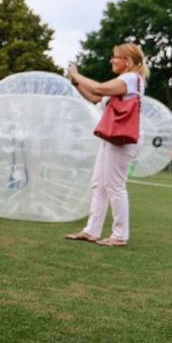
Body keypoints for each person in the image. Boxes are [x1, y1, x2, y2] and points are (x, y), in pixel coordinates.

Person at [65, 43, 149, 248]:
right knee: (99, 184)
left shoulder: (130, 78)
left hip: (123, 138)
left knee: (115, 186)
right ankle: (91, 231)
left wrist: (76, 74)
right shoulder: (124, 81)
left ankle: (120, 235)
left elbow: (98, 88)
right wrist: (76, 83)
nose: (112, 60)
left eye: (115, 57)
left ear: (127, 61)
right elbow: (95, 98)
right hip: (113, 138)